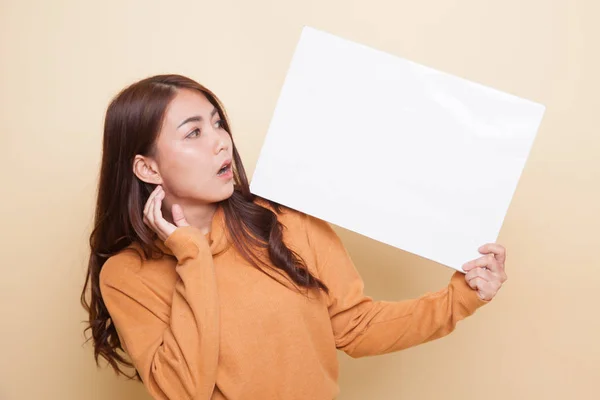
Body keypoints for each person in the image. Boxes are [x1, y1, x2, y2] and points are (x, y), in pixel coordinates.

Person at [81, 74, 508, 400]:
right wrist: (192, 254)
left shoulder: (286, 220)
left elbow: (356, 328)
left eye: (217, 123)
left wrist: (462, 295)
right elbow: (183, 390)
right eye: (194, 133)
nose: (221, 143)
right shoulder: (126, 275)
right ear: (147, 169)